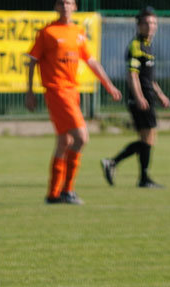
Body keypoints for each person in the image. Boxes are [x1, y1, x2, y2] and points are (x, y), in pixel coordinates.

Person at [26, 0, 122, 205]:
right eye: (61, 3)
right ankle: (68, 190)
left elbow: (91, 61)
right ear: (55, 7)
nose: (65, 6)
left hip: (72, 91)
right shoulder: (47, 32)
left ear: (75, 7)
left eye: (69, 2)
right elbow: (32, 60)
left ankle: (53, 194)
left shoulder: (78, 31)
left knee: (65, 142)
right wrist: (29, 92)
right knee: (81, 137)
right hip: (56, 90)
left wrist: (109, 85)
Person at [101, 6, 170, 188]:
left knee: (146, 139)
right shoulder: (136, 46)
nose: (150, 26)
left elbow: (148, 78)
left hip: (147, 96)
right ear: (139, 25)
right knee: (149, 138)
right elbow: (132, 75)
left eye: (154, 23)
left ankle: (136, 174)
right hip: (141, 99)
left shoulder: (148, 46)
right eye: (146, 23)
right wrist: (140, 97)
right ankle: (130, 171)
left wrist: (160, 94)